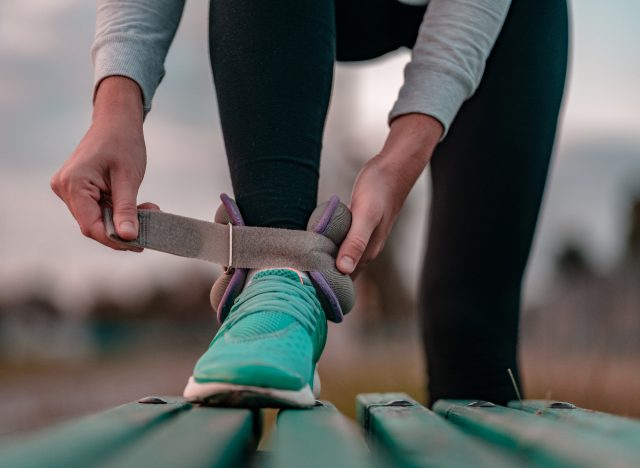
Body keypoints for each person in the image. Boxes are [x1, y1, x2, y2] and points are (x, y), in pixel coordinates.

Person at [50, 0, 568, 406]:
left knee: (472, 340)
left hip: (499, 14)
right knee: (277, 265)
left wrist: (400, 157)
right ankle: (275, 289)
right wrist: (115, 104)